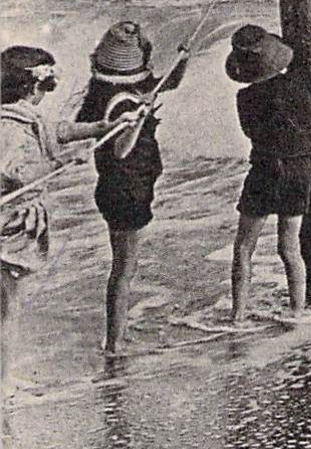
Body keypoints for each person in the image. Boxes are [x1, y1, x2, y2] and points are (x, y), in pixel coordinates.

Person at [2, 45, 118, 382]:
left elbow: (59, 131)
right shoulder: (10, 126)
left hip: (15, 223)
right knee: (8, 310)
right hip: (9, 224)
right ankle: (2, 385)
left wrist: (102, 126)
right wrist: (62, 161)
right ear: (30, 86)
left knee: (7, 304)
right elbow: (14, 171)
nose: (46, 93)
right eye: (45, 86)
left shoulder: (19, 114)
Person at [74, 22, 188, 355]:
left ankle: (117, 335)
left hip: (118, 188)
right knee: (124, 269)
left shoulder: (103, 92)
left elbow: (168, 83)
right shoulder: (124, 103)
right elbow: (121, 149)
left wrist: (183, 60)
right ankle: (115, 341)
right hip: (126, 190)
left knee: (123, 266)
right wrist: (138, 118)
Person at [225, 25, 311, 323]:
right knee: (289, 247)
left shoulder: (245, 98)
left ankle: (238, 314)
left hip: (265, 169)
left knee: (244, 247)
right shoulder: (304, 80)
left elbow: (250, 131)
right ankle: (297, 311)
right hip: (299, 169)